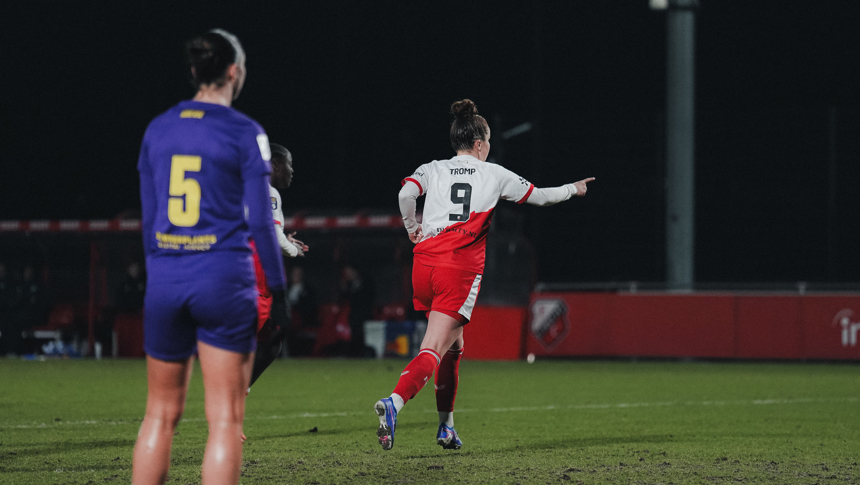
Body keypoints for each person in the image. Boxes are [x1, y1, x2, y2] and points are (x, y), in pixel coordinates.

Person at [374, 99, 595, 451]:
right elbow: (541, 197)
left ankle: (446, 427)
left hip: (424, 265)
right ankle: (394, 402)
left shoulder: (432, 168)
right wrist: (574, 188)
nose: (489, 147)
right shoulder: (493, 173)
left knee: (455, 346)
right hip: (457, 269)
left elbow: (405, 194)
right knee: (433, 347)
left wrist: (412, 227)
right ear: (479, 144)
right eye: (488, 141)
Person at [132, 29, 289, 485]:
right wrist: (279, 291)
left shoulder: (158, 128)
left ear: (195, 70)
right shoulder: (245, 131)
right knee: (224, 419)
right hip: (223, 279)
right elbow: (262, 224)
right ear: (234, 72)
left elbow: (149, 221)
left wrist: (161, 277)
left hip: (166, 277)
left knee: (159, 414)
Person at [248, 143, 308, 388]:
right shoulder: (268, 191)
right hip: (255, 278)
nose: (292, 171)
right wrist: (293, 250)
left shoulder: (249, 187)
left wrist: (284, 240)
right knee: (245, 344)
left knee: (272, 340)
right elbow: (271, 235)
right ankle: (228, 395)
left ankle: (239, 389)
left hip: (248, 275)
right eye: (289, 164)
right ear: (275, 165)